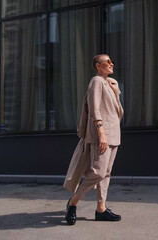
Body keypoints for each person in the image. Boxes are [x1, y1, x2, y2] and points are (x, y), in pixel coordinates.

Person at [63, 54, 124, 225]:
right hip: (102, 134)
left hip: (114, 134)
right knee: (98, 172)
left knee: (106, 173)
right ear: (98, 66)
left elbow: (115, 110)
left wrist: (114, 89)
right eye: (107, 62)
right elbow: (94, 108)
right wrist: (101, 133)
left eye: (112, 61)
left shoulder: (110, 83)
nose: (112, 64)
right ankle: (73, 202)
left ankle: (101, 209)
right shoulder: (96, 81)